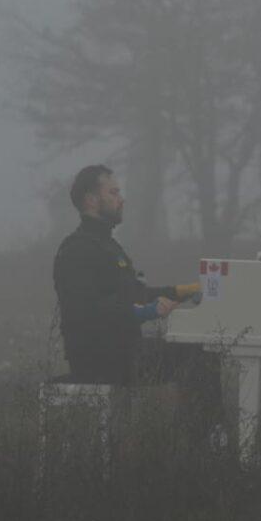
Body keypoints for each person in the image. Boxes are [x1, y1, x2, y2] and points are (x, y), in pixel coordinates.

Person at [52, 164, 183, 384]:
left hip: (126, 351)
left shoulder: (110, 246)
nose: (121, 200)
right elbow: (86, 311)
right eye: (113, 193)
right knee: (193, 357)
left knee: (197, 350)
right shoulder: (76, 250)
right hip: (98, 359)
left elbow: (134, 293)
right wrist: (146, 311)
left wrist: (180, 292)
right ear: (91, 200)